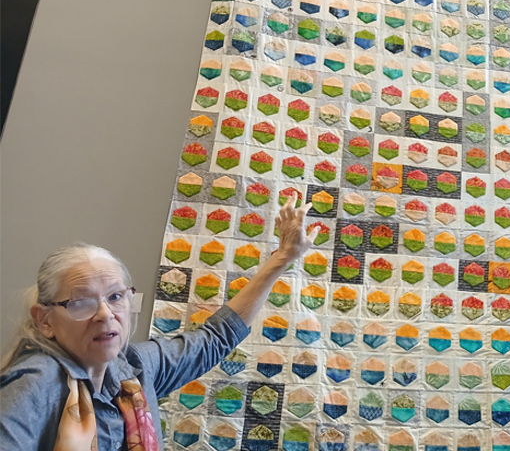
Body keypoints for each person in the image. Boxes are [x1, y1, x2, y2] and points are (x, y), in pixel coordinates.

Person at [0, 193, 318, 451]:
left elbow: (216, 337)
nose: (105, 314)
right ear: (45, 321)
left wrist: (282, 258)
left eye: (115, 297)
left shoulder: (134, 369)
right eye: (81, 302)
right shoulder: (37, 381)